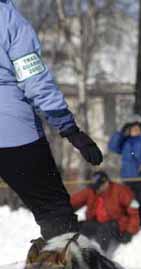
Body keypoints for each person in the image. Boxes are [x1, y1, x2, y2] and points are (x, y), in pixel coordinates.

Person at [0, 0, 102, 240]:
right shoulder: (8, 19)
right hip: (13, 132)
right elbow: (34, 79)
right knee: (55, 213)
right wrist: (68, 127)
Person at [70, 171, 140, 252]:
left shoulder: (120, 191)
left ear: (106, 183)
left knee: (104, 230)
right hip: (98, 222)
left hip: (117, 224)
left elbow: (135, 212)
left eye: (98, 187)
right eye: (95, 187)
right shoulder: (92, 191)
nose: (96, 190)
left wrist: (130, 232)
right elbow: (75, 200)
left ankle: (99, 255)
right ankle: (75, 253)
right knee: (78, 227)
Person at [108, 114, 141, 201]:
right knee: (130, 204)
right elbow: (113, 146)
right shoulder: (125, 142)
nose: (135, 130)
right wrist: (121, 132)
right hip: (128, 179)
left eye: (137, 127)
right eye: (132, 128)